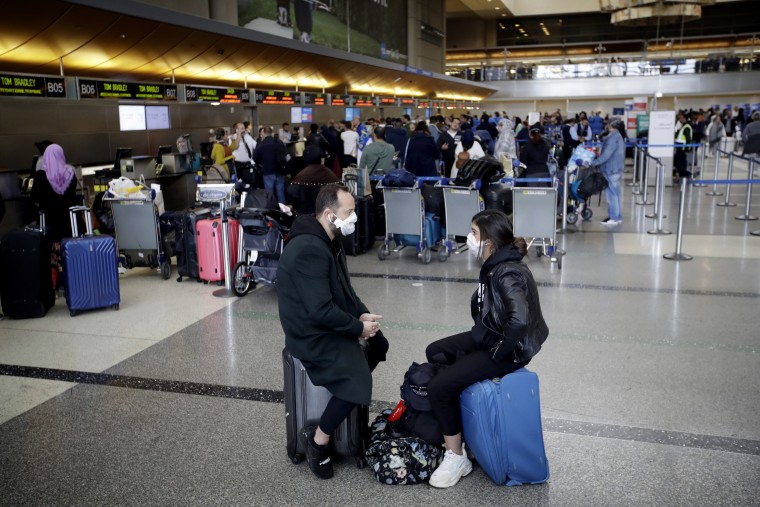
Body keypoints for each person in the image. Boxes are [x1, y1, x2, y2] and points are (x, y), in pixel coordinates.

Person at [425, 209, 548, 488]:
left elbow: (518, 322)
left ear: (489, 240)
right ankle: (461, 422)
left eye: (474, 233)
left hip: (508, 349)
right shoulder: (496, 263)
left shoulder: (506, 271)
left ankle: (456, 457)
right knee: (435, 351)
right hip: (490, 336)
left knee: (439, 387)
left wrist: (497, 354)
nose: (469, 238)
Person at [277, 184, 389, 479]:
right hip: (309, 331)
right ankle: (319, 440)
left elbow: (343, 290)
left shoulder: (328, 238)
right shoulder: (308, 249)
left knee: (379, 345)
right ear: (329, 214)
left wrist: (361, 314)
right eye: (349, 212)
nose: (353, 217)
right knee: (357, 376)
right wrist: (356, 328)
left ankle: (346, 398)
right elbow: (319, 310)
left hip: (323, 320)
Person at [30, 144, 82, 290]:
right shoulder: (70, 174)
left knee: (51, 253)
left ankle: (54, 283)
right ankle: (71, 281)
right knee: (68, 252)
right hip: (68, 222)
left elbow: (34, 197)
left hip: (50, 223)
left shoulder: (41, 176)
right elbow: (72, 196)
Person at [286, 145, 340, 215]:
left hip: (307, 215)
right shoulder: (329, 173)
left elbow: (291, 192)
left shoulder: (303, 175)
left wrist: (298, 206)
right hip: (329, 215)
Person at [591, 119, 626, 225]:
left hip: (611, 169)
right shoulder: (617, 136)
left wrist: (594, 162)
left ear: (611, 125)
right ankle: (617, 216)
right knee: (615, 193)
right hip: (615, 169)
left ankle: (614, 217)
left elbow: (606, 155)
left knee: (612, 195)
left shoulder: (613, 138)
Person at [253, 126, 288, 204]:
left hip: (267, 171)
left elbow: (255, 158)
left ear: (263, 133)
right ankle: (283, 211)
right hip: (280, 170)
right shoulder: (279, 142)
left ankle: (271, 211)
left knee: (269, 194)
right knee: (280, 192)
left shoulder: (261, 144)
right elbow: (286, 154)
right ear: (272, 133)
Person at [673, 111, 693, 181]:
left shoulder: (687, 127)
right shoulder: (683, 126)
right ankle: (683, 175)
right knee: (678, 162)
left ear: (684, 118)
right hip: (680, 147)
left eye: (681, 118)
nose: (679, 119)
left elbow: (688, 139)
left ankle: (687, 174)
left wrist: (686, 149)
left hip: (682, 148)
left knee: (679, 162)